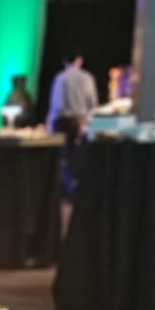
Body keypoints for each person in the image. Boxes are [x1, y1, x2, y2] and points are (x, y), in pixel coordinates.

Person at [48, 52, 98, 201]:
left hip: (63, 123)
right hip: (81, 122)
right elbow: (93, 104)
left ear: (64, 61)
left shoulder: (61, 78)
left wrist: (49, 126)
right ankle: (78, 192)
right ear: (79, 60)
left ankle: (68, 193)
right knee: (78, 158)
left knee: (63, 159)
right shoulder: (88, 77)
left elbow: (57, 105)